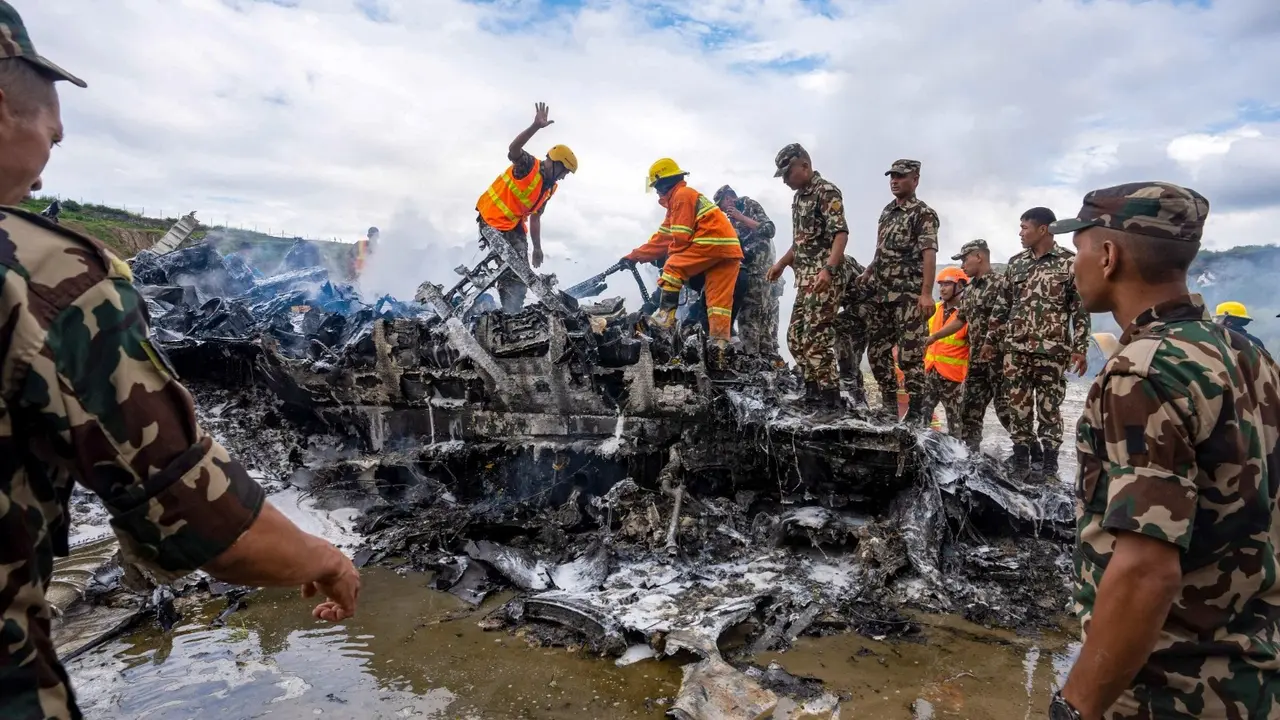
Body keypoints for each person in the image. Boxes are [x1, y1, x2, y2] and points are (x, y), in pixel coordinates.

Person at [0, 5, 360, 717]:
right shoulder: (42, 273)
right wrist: (327, 559)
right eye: (50, 123)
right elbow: (193, 510)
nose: (55, 146)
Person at [1051, 181, 1280, 720]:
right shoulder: (1247, 354)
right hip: (1255, 677)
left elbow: (1146, 570)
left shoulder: (1140, 372)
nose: (1072, 266)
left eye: (1078, 249)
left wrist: (1077, 707)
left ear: (1108, 256)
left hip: (1168, 689)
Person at [986, 207, 1089, 483]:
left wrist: (1080, 347)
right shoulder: (1016, 263)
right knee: (1017, 408)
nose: (1020, 233)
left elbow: (1080, 309)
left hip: (1052, 351)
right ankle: (1021, 462)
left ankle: (1049, 468)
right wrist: (990, 340)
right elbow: (1003, 305)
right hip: (1016, 350)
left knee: (1049, 409)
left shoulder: (1069, 263)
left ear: (1043, 229)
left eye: (1024, 227)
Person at [622, 159, 742, 361]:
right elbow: (661, 239)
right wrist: (635, 256)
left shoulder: (681, 196)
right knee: (718, 302)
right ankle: (719, 347)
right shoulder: (682, 199)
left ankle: (665, 317)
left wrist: (671, 257)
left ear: (662, 183)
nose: (657, 193)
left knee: (673, 265)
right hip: (728, 249)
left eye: (657, 187)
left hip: (711, 241)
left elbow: (680, 237)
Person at [766, 143, 851, 417]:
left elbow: (840, 234)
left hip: (823, 278)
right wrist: (781, 263)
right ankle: (813, 394)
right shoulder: (799, 197)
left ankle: (831, 400)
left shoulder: (825, 191)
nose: (786, 181)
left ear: (804, 165)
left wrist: (828, 269)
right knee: (795, 338)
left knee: (816, 338)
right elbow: (800, 243)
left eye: (788, 174)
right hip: (804, 279)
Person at [476, 102, 577, 314]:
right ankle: (509, 311)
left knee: (522, 270)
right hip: (493, 218)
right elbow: (513, 150)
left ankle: (511, 311)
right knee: (515, 268)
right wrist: (535, 127)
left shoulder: (550, 188)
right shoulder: (528, 165)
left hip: (512, 224)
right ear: (555, 163)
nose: (564, 176)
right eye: (564, 171)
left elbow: (536, 217)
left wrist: (538, 248)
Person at [859, 160, 939, 424]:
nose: (894, 180)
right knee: (877, 352)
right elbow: (881, 250)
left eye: (900, 176)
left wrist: (926, 293)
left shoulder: (923, 213)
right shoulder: (887, 212)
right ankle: (889, 407)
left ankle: (917, 414)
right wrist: (869, 271)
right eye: (892, 176)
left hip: (909, 297)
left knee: (910, 358)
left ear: (915, 180)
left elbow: (929, 254)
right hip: (884, 296)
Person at [930, 239, 1012, 451]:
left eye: (965, 259)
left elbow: (1010, 318)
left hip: (1001, 361)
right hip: (977, 362)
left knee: (1007, 413)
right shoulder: (971, 289)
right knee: (969, 413)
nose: (963, 265)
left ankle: (1029, 457)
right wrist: (934, 337)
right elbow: (961, 319)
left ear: (979, 257)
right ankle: (970, 457)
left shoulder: (1001, 284)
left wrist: (991, 342)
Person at [714, 185, 781, 363]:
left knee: (753, 318)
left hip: (761, 273)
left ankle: (753, 360)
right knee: (754, 317)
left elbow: (769, 230)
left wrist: (740, 217)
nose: (724, 211)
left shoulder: (749, 205)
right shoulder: (731, 221)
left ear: (728, 199)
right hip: (749, 272)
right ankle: (761, 362)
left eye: (722, 206)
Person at [920, 267, 969, 436]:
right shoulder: (933, 309)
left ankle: (959, 458)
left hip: (954, 379)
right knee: (921, 418)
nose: (942, 288)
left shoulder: (967, 314)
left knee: (956, 424)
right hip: (930, 373)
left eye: (948, 284)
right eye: (941, 284)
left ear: (961, 286)